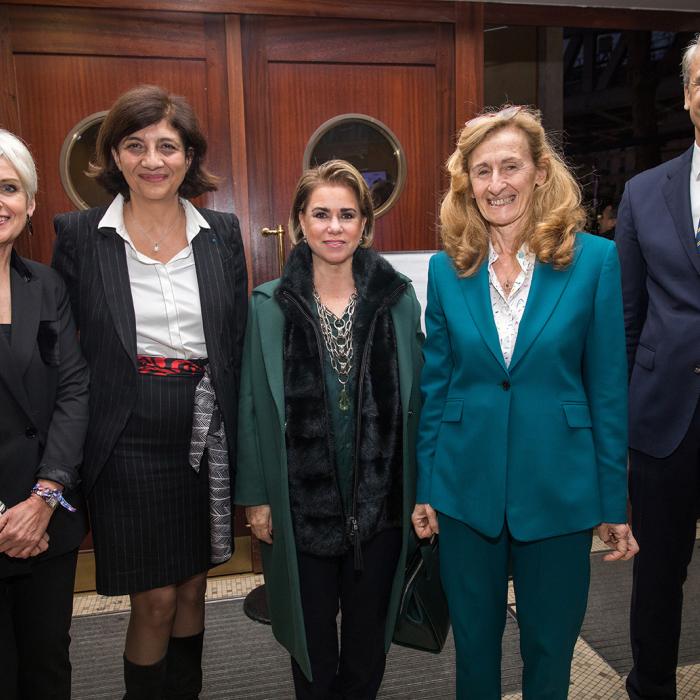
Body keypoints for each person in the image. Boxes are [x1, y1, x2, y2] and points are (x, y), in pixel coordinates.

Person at [411, 105, 638, 699]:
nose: (496, 184)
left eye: (510, 166)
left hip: (559, 488)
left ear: (540, 172)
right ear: (468, 183)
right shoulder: (446, 268)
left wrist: (613, 500)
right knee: (474, 653)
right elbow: (436, 388)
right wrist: (427, 486)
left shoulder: (595, 261)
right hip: (464, 487)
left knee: (550, 650)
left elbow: (608, 390)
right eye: (481, 171)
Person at [52, 85, 247, 700]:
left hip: (205, 431)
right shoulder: (81, 235)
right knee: (156, 596)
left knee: (193, 585)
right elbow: (60, 345)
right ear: (115, 155)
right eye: (134, 145)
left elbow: (234, 338)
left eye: (168, 145)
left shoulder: (222, 231)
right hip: (127, 433)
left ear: (190, 156)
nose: (152, 160)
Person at [235, 159, 422, 699]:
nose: (334, 227)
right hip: (300, 513)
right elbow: (251, 405)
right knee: (313, 649)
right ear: (300, 221)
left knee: (367, 648)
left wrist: (422, 494)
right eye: (321, 214)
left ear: (365, 223)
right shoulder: (269, 305)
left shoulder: (398, 300)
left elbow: (420, 402)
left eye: (347, 214)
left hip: (381, 509)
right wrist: (257, 500)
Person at [617, 35, 700, 700]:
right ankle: (650, 687)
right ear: (690, 98)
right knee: (657, 575)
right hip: (662, 417)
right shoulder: (644, 193)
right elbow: (627, 317)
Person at [0, 129, 89, 699]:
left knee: (46, 665)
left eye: (8, 187)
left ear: (30, 204)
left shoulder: (46, 284)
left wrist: (45, 495)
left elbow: (74, 389)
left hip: (44, 517)